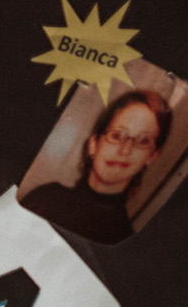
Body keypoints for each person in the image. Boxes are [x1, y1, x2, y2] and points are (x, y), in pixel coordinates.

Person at [20, 88, 173, 245]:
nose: (125, 150)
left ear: (152, 155)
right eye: (117, 135)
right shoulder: (44, 198)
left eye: (143, 141)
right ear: (94, 144)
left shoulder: (123, 242)